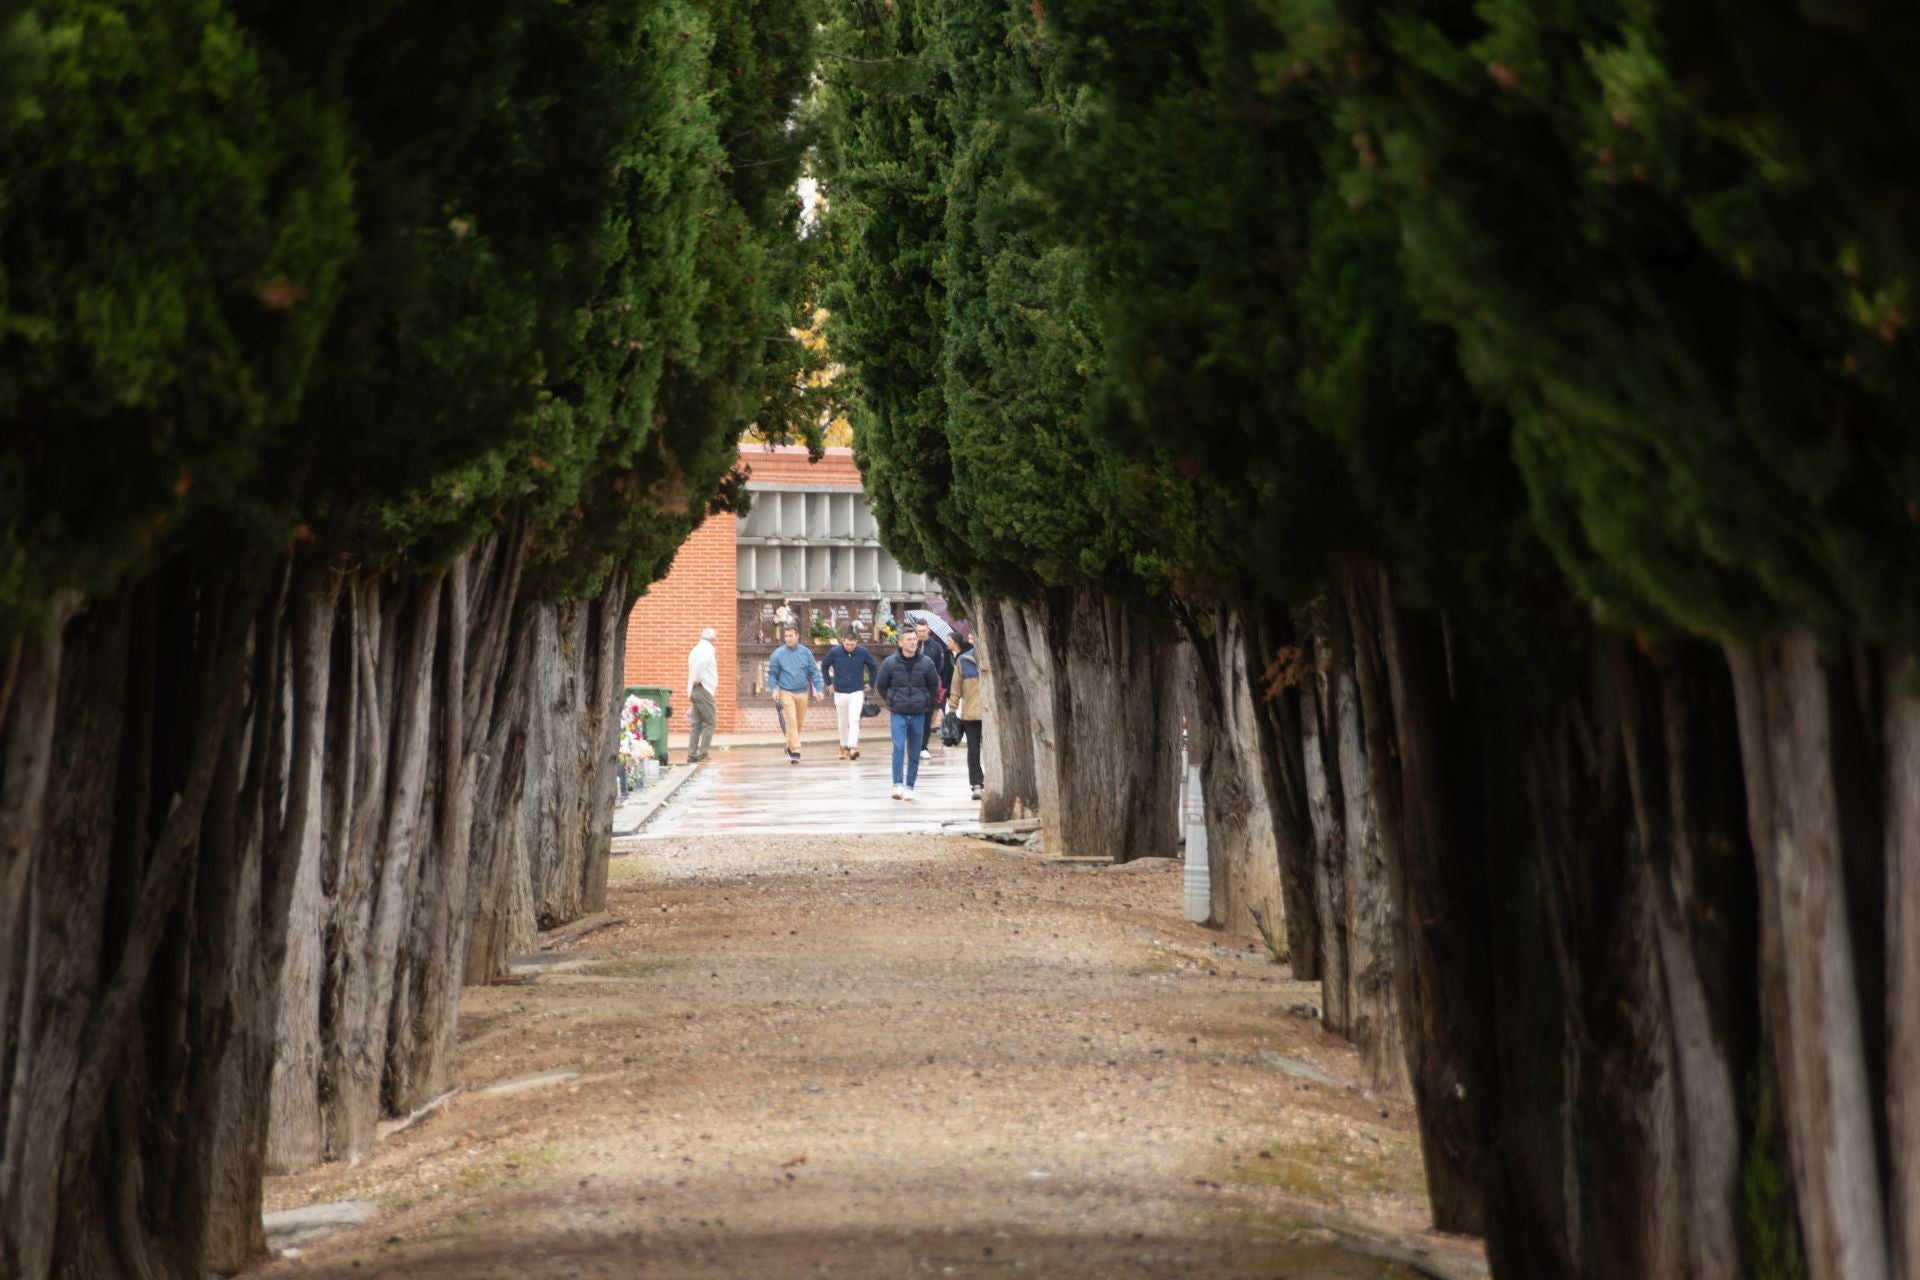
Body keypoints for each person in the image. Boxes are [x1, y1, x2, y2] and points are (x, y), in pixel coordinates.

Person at [874, 627, 940, 799]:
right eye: (909, 639)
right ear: (900, 642)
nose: (913, 642)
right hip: (898, 712)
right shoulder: (889, 663)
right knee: (898, 747)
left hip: (919, 713)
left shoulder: (926, 663)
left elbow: (934, 685)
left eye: (914, 639)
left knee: (914, 751)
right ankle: (897, 785)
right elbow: (881, 685)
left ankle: (910, 786)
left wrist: (926, 702)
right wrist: (892, 700)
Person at [764, 624, 822, 763]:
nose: (788, 638)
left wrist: (819, 689)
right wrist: (774, 689)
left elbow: (814, 672)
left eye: (791, 636)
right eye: (786, 636)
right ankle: (796, 750)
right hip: (786, 691)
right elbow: (772, 674)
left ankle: (789, 746)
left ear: (797, 636)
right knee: (792, 721)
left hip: (802, 692)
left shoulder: (806, 653)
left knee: (799, 723)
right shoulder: (778, 654)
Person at [819, 629, 878, 760]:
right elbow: (824, 665)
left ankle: (853, 746)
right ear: (843, 641)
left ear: (856, 642)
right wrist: (829, 683)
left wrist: (871, 683)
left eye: (852, 644)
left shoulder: (862, 652)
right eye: (847, 644)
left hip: (857, 691)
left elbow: (873, 667)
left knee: (854, 719)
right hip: (840, 692)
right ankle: (843, 746)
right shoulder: (835, 652)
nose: (850, 647)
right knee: (842, 721)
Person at [944, 630, 985, 800]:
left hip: (992, 717)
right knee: (973, 750)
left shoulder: (995, 659)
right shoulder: (964, 660)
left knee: (993, 751)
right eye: (971, 637)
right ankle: (976, 783)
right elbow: (956, 688)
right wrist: (952, 710)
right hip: (971, 714)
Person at [914, 618, 953, 760]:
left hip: (929, 688)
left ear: (928, 630)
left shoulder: (936, 647)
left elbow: (940, 667)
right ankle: (914, 745)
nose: (921, 633)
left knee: (927, 719)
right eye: (919, 631)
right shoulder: (912, 644)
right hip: (913, 688)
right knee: (913, 719)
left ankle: (923, 746)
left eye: (923, 631)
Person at [685, 626, 718, 764]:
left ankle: (691, 755)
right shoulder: (708, 648)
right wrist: (697, 678)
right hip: (703, 689)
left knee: (696, 724)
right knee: (710, 722)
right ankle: (703, 754)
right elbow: (703, 662)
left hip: (694, 691)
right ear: (712, 639)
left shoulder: (695, 649)